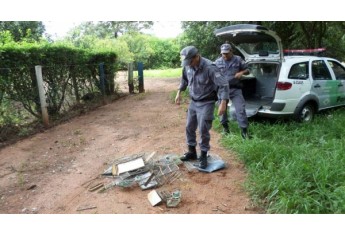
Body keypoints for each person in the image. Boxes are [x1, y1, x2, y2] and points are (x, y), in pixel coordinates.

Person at [175, 46, 229, 169]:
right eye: (186, 62)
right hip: (193, 101)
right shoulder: (188, 65)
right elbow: (184, 80)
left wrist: (223, 102)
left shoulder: (210, 67)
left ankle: (203, 155)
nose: (188, 64)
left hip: (207, 102)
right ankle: (192, 152)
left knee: (204, 129)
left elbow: (223, 85)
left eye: (190, 61)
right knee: (189, 127)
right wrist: (179, 93)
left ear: (197, 56)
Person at [214, 43, 250, 139]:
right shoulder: (217, 62)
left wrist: (241, 72)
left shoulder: (238, 59)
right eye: (223, 54)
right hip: (222, 90)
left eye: (226, 53)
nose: (225, 55)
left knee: (240, 109)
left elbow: (248, 70)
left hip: (235, 89)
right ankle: (225, 128)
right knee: (222, 110)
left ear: (231, 51)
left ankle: (244, 132)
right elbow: (212, 74)